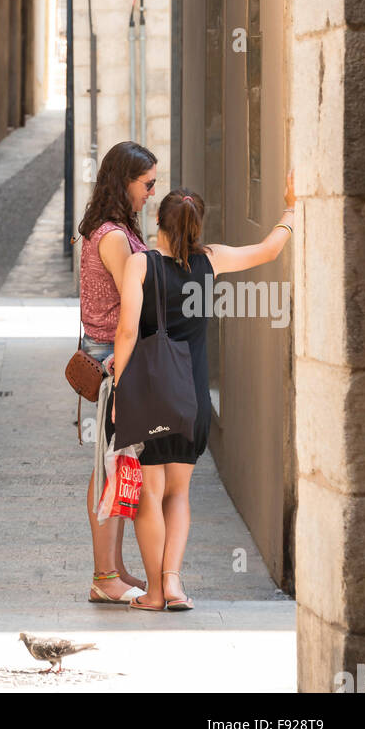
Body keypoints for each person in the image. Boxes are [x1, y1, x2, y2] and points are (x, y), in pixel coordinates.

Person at [113, 173, 295, 610]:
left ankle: (154, 594)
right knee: (179, 493)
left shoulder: (141, 264)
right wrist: (292, 206)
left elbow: (125, 331)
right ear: (198, 226)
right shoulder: (211, 261)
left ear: (159, 220)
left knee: (148, 496)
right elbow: (269, 248)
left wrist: (120, 392)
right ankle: (173, 584)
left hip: (151, 394)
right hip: (192, 396)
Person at [78, 141, 157, 603]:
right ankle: (104, 577)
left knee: (117, 460)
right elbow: (137, 296)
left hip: (112, 350)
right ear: (124, 182)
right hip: (114, 355)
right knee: (108, 466)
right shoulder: (112, 235)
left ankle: (114, 568)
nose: (151, 192)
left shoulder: (109, 228)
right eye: (146, 184)